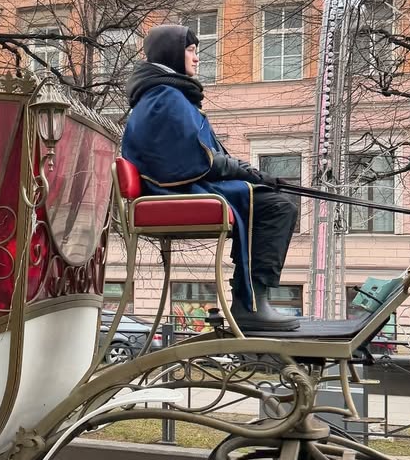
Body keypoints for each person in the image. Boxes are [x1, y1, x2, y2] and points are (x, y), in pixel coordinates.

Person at [122, 25, 300, 333]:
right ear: (172, 54)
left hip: (181, 185)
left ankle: (250, 301)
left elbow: (197, 154)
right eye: (190, 50)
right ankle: (250, 304)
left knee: (270, 200)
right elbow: (189, 160)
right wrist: (245, 171)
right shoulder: (164, 97)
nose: (196, 58)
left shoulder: (166, 94)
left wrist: (246, 171)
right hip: (174, 191)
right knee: (276, 207)